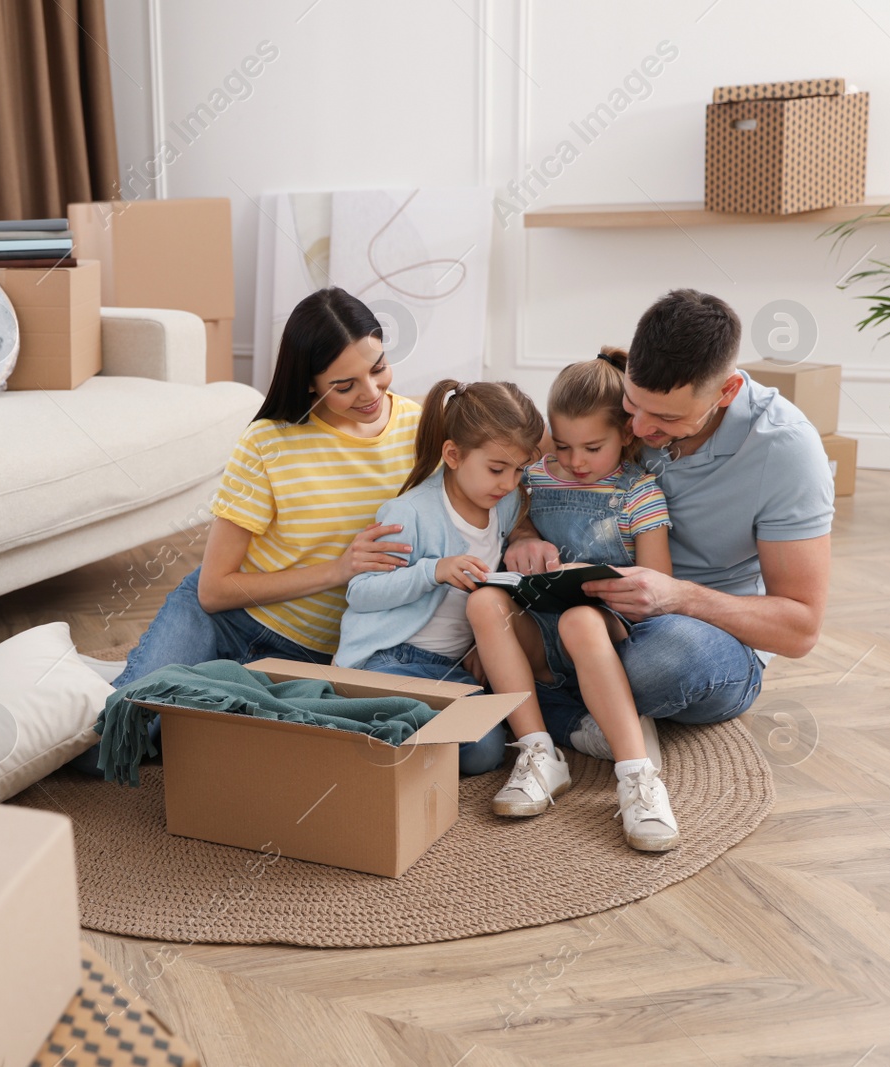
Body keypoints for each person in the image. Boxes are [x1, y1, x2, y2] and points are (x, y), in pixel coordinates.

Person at [66, 287, 422, 775]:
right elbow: (213, 591)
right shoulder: (268, 443)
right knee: (106, 751)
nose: (371, 393)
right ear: (311, 384)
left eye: (378, 367)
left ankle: (157, 681)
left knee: (209, 749)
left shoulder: (420, 429)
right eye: (345, 385)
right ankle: (123, 681)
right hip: (227, 620)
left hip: (322, 655)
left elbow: (502, 474)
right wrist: (340, 569)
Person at [502, 289, 834, 768]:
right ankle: (581, 710)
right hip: (592, 618)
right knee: (485, 620)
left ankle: (546, 710)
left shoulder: (784, 450)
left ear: (727, 392)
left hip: (702, 634)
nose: (638, 427)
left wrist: (679, 597)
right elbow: (533, 472)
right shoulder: (621, 400)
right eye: (633, 405)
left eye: (666, 418)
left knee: (659, 663)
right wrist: (523, 534)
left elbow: (800, 629)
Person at [465, 349, 680, 850]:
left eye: (592, 447)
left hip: (603, 628)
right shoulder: (535, 478)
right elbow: (510, 523)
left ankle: (637, 777)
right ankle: (540, 753)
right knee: (481, 605)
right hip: (538, 628)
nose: (575, 462)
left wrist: (594, 575)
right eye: (562, 446)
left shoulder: (639, 493)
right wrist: (521, 537)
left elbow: (658, 582)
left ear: (626, 434)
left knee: (579, 620)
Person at [333, 379, 545, 775]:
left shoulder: (505, 501)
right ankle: (355, 719)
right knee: (466, 742)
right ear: (453, 454)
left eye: (519, 470)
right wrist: (432, 570)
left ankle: (384, 729)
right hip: (390, 659)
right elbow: (360, 593)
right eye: (497, 469)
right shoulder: (408, 512)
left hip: (452, 670)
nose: (509, 483)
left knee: (489, 747)